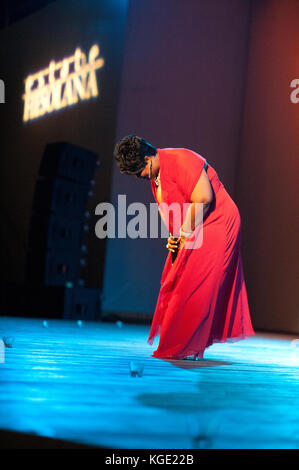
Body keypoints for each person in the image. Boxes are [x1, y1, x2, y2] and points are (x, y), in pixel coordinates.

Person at [114, 135, 255, 360]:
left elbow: (203, 199)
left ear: (148, 158)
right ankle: (189, 345)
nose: (139, 176)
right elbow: (171, 211)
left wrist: (182, 233)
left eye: (139, 170)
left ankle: (186, 345)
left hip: (217, 222)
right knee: (176, 281)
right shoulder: (156, 176)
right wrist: (173, 237)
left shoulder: (181, 160)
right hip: (194, 227)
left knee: (196, 284)